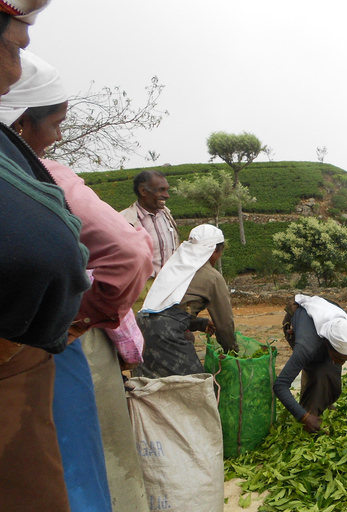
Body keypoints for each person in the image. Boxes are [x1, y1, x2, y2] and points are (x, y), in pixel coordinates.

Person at [0, 49, 155, 512]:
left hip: (34, 349)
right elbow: (129, 255)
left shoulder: (32, 177)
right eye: (56, 123)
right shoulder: (46, 178)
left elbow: (126, 256)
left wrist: (79, 315)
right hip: (38, 346)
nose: (60, 135)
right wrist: (83, 315)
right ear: (22, 124)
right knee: (67, 469)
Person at [0, 3, 93, 511]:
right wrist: (73, 318)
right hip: (19, 358)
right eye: (15, 45)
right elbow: (48, 254)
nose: (16, 68)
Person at [134, 224, 239, 378]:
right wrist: (232, 351)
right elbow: (224, 324)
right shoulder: (212, 277)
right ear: (216, 250)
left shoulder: (175, 267)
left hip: (142, 327)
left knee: (153, 383)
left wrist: (200, 324)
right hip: (165, 332)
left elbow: (164, 308)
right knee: (196, 384)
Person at [274, 295, 347, 433]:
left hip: (323, 318)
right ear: (326, 344)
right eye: (338, 357)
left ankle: (322, 404)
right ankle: (309, 415)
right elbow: (280, 385)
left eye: (346, 359)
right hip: (297, 324)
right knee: (319, 373)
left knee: (330, 372)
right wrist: (304, 416)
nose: (341, 363)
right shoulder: (307, 346)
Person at [121, 169, 179, 311]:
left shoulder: (166, 214)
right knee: (144, 330)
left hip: (169, 286)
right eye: (161, 190)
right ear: (143, 191)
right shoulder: (125, 220)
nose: (167, 195)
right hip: (142, 289)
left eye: (166, 190)